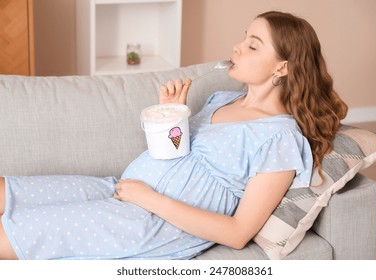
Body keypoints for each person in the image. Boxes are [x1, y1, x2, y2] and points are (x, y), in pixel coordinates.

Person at [0, 11, 347, 260]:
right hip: (120, 189)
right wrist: (172, 120)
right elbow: (176, 155)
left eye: (253, 45)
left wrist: (150, 200)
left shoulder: (280, 138)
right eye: (243, 38)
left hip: (149, 221)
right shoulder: (222, 100)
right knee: (8, 190)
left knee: (18, 231)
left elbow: (239, 233)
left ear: (282, 67)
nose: (238, 47)